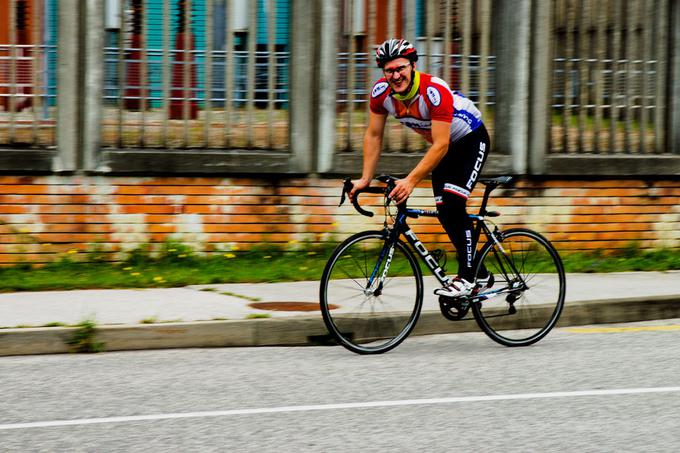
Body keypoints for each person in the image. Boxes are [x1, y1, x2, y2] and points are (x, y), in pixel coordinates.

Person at [349, 38, 492, 298]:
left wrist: (411, 181)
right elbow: (373, 136)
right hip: (445, 147)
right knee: (445, 210)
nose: (396, 75)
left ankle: (468, 278)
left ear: (413, 65)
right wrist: (364, 178)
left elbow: (440, 144)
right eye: (389, 70)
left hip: (470, 140)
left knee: (452, 204)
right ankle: (480, 273)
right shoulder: (381, 94)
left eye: (401, 68)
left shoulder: (433, 91)